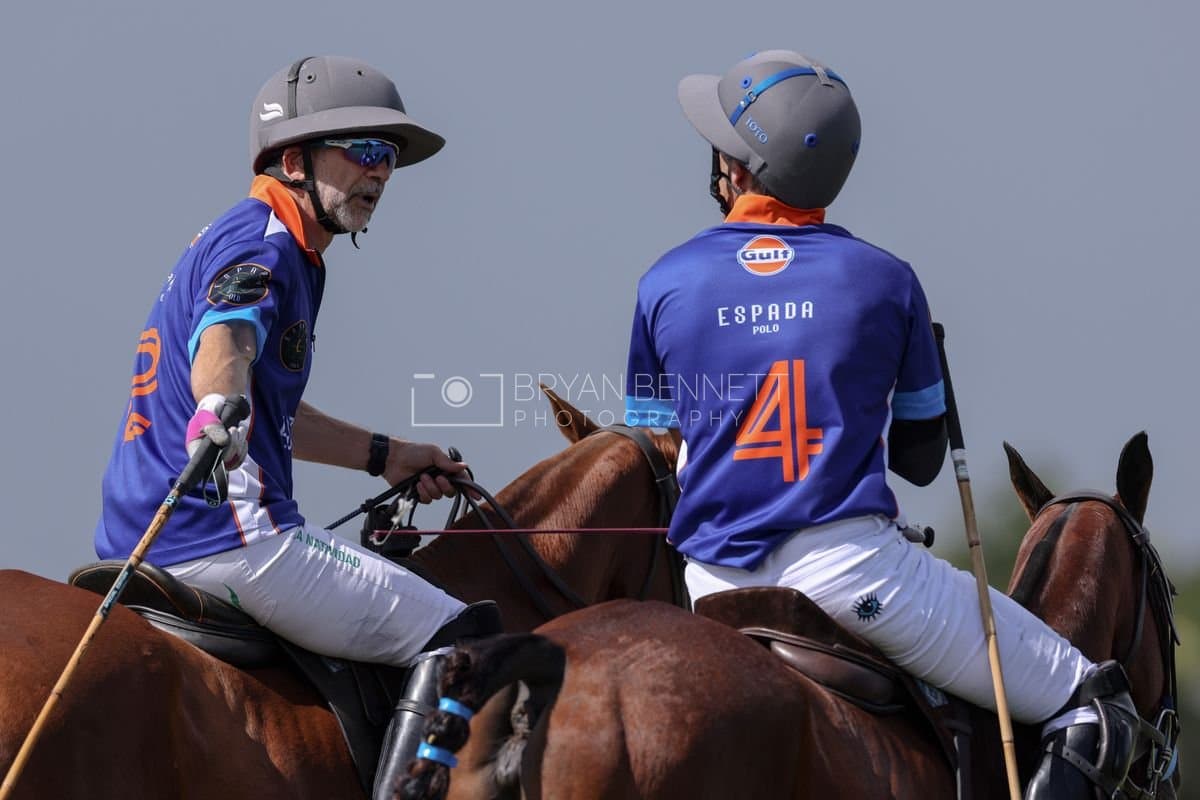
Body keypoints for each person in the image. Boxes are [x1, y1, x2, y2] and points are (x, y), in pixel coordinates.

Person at [622, 49, 1139, 798]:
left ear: (740, 169)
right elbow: (920, 460)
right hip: (856, 579)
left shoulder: (665, 280)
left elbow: (661, 445)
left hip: (709, 588)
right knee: (1096, 703)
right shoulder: (884, 280)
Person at [94, 56, 497, 798]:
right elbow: (229, 343)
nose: (382, 173)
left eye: (391, 158)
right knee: (470, 644)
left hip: (149, 541)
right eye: (365, 152)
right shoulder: (263, 247)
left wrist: (387, 456)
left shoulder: (267, 244)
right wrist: (216, 412)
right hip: (236, 544)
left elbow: (269, 405)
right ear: (293, 161)